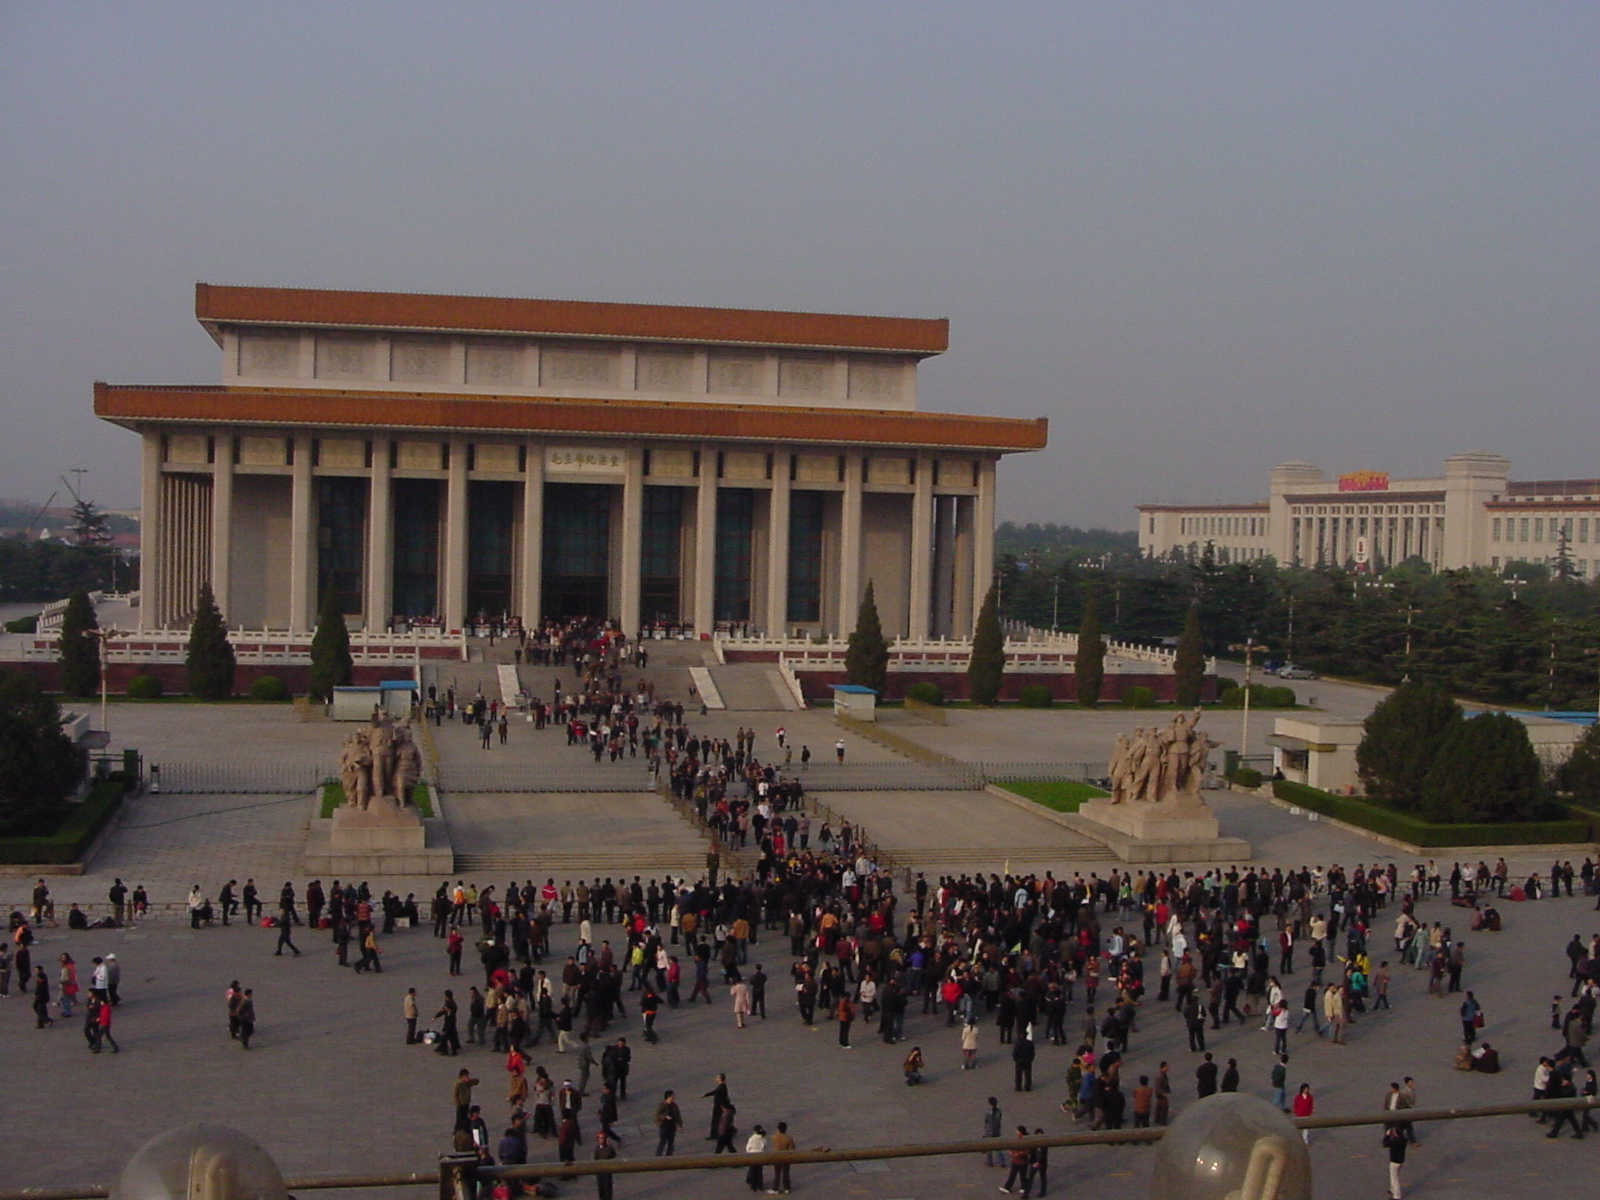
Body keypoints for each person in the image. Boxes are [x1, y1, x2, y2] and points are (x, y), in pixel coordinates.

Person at [1001, 1126, 1033, 1196]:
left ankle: (1024, 1187)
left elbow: (1027, 1151)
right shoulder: (1018, 1139)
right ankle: (1007, 1187)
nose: (1016, 1132)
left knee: (1022, 1175)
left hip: (1022, 1161)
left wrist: (1018, 1154)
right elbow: (1013, 1146)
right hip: (1016, 1160)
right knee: (1012, 1174)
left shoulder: (1026, 1140)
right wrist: (1011, 1151)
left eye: (1018, 1131)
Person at [654, 1089, 683, 1156]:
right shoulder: (662, 1105)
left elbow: (678, 1116)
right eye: (672, 1096)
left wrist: (679, 1125)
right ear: (668, 1097)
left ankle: (669, 1156)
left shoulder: (675, 1105)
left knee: (671, 1143)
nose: (674, 1098)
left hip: (672, 1127)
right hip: (664, 1126)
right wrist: (665, 1117)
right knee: (662, 1142)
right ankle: (658, 1156)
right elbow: (658, 1115)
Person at [1383, 1123, 1407, 1199]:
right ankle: (1392, 1189)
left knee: (1394, 1179)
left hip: (1394, 1161)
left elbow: (1385, 1143)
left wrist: (1387, 1135)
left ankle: (1397, 1196)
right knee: (1394, 1176)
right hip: (1400, 1161)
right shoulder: (1404, 1140)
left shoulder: (1394, 1141)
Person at [593, 1128, 617, 1200]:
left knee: (607, 1186)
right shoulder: (597, 1148)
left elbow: (612, 1155)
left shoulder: (608, 1148)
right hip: (599, 1170)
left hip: (607, 1170)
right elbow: (595, 1158)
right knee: (601, 1186)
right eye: (600, 1138)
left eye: (603, 1138)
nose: (601, 1140)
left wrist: (610, 1147)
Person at [744, 1124, 768, 1192]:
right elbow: (763, 1147)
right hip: (760, 1155)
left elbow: (748, 1148)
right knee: (759, 1172)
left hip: (752, 1155)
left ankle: (753, 1185)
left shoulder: (752, 1138)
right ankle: (759, 1186)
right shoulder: (764, 1138)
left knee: (753, 1171)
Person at [983, 1097, 1005, 1167]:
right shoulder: (999, 1111)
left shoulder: (988, 1112)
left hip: (989, 1131)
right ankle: (1001, 1161)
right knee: (998, 1147)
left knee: (989, 1147)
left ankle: (989, 1162)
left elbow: (986, 1122)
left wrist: (985, 1132)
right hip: (997, 1131)